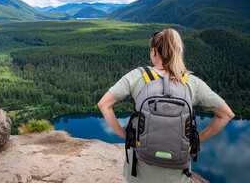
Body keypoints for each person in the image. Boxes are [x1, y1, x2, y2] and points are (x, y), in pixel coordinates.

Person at [97, 29, 235, 183]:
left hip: (140, 167)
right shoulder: (190, 82)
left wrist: (122, 133)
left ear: (153, 51)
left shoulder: (138, 76)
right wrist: (195, 140)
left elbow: (104, 104)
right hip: (177, 170)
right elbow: (226, 114)